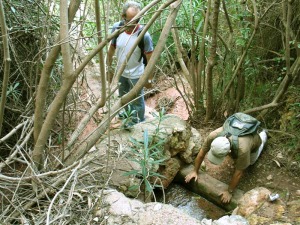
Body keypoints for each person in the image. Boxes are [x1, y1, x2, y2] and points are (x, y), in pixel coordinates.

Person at [185, 122, 268, 204]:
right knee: (238, 159)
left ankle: (264, 133)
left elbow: (239, 173)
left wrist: (229, 191)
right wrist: (194, 171)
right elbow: (201, 154)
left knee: (251, 162)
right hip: (237, 138)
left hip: (253, 141)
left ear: (229, 151)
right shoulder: (213, 136)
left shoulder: (243, 150)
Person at [106, 1, 154, 126]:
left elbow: (150, 58)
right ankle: (127, 115)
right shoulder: (117, 28)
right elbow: (111, 49)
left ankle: (137, 121)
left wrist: (149, 79)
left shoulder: (144, 35)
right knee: (122, 95)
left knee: (137, 100)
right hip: (120, 72)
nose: (134, 23)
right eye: (130, 20)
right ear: (123, 17)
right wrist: (108, 67)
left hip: (136, 73)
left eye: (137, 20)